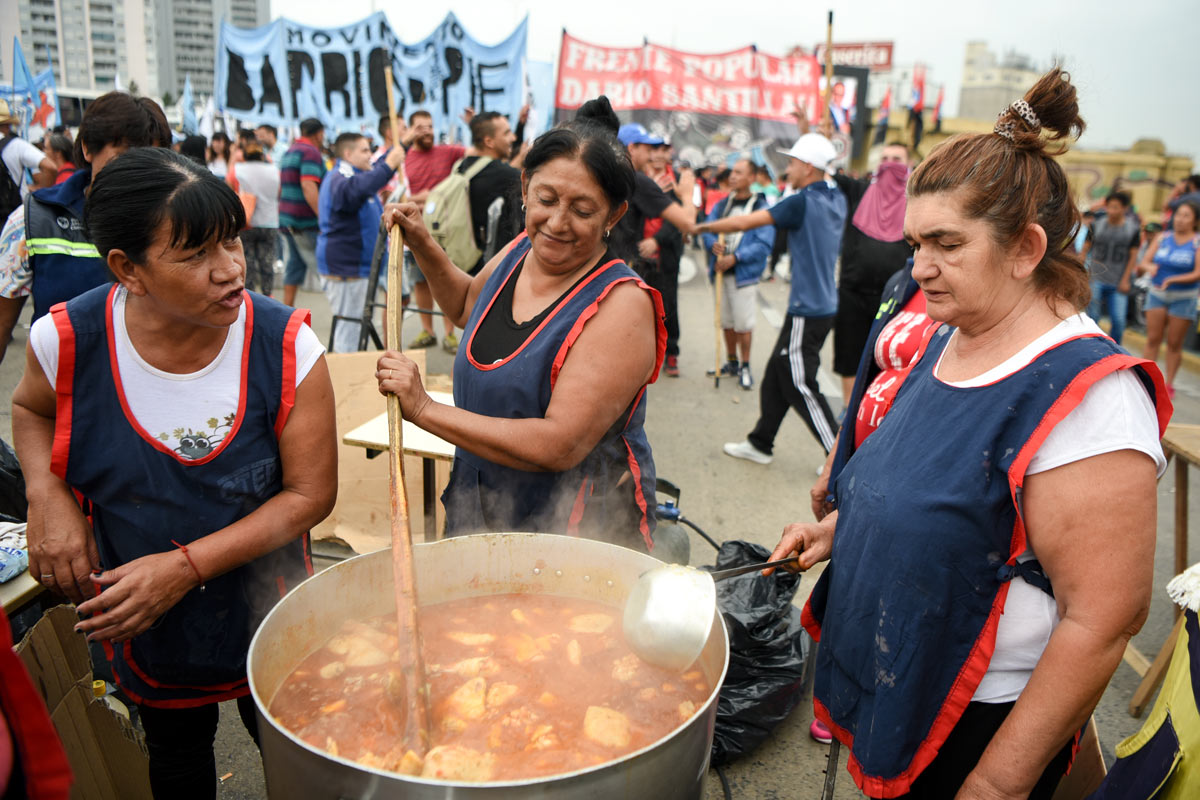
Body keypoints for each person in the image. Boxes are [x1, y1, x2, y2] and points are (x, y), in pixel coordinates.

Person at [767, 69, 1170, 799]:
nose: (918, 268)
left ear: (1024, 249)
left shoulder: (1093, 398)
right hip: (900, 674)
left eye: (946, 244)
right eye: (915, 242)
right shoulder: (947, 336)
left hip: (976, 723)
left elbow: (1103, 621)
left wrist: (999, 783)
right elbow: (929, 487)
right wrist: (842, 532)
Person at [12, 147, 336, 800]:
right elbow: (28, 409)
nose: (231, 272)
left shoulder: (288, 347)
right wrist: (46, 495)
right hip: (142, 614)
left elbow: (309, 495)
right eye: (195, 256)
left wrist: (183, 568)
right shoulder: (66, 340)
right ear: (127, 269)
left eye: (232, 244)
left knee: (299, 750)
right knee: (177, 754)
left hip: (266, 603)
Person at [374, 96, 666, 550]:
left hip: (577, 529)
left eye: (582, 210)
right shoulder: (521, 251)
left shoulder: (623, 304)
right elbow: (469, 306)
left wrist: (425, 409)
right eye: (546, 200)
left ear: (614, 215)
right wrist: (423, 243)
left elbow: (560, 444)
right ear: (526, 186)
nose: (557, 223)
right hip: (483, 501)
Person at [699, 132, 846, 463]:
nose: (787, 168)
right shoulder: (836, 199)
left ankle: (839, 456)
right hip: (819, 306)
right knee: (777, 375)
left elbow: (748, 220)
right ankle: (761, 442)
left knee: (799, 381)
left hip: (808, 308)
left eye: (792, 162)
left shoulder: (801, 202)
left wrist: (701, 228)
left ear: (808, 168)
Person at [0, 91, 171, 365]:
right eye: (125, 156)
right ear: (87, 148)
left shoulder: (179, 220)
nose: (140, 171)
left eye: (153, 158)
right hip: (64, 395)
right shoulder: (31, 221)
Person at [818, 131, 914, 404]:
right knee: (849, 350)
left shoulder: (917, 202)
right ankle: (848, 408)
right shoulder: (859, 191)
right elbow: (826, 168)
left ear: (908, 166)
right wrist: (813, 135)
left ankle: (875, 406)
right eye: (884, 159)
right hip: (852, 290)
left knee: (886, 354)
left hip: (894, 297)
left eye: (896, 159)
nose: (888, 164)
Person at [615, 122, 695, 377]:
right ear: (632, 148)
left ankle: (665, 354)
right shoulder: (639, 180)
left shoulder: (608, 174)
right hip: (629, 260)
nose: (654, 154)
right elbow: (688, 223)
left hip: (653, 257)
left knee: (666, 305)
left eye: (660, 148)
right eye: (650, 148)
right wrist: (688, 195)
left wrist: (658, 240)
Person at [316, 132, 404, 353]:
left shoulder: (355, 174)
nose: (370, 156)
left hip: (357, 269)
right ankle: (346, 385)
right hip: (347, 270)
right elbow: (357, 188)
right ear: (348, 153)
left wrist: (405, 144)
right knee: (350, 335)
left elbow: (373, 174)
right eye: (364, 151)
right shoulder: (340, 177)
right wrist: (389, 165)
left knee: (355, 330)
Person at [701, 158, 774, 390]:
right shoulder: (722, 206)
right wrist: (713, 244)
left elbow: (764, 243)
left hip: (744, 275)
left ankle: (745, 365)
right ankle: (731, 362)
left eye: (739, 173)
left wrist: (736, 257)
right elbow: (707, 229)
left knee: (744, 324)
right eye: (732, 173)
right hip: (721, 274)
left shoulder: (761, 209)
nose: (732, 177)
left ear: (752, 178)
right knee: (726, 321)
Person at [404, 109, 466, 352]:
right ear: (410, 130)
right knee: (420, 282)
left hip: (445, 232)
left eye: (430, 126)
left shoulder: (447, 152)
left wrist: (471, 126)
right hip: (415, 232)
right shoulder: (404, 159)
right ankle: (427, 330)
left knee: (446, 278)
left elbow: (476, 154)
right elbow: (399, 196)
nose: (427, 131)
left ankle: (449, 333)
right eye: (420, 127)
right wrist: (422, 198)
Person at [1139, 199, 1200, 396]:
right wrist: (1150, 268)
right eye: (1178, 215)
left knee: (1174, 343)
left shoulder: (1196, 242)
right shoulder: (1162, 238)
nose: (1180, 220)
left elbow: (1198, 272)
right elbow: (1144, 263)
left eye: (1186, 216)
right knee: (1153, 338)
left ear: (1195, 221)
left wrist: (1173, 279)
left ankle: (1169, 384)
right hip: (1157, 294)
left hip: (1184, 297)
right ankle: (1146, 379)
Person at [457, 111, 522, 272]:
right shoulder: (505, 175)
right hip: (490, 270)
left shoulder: (462, 167)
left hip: (462, 262)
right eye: (507, 133)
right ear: (489, 142)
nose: (512, 138)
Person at [278, 118, 327, 307]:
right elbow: (308, 186)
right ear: (319, 133)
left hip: (287, 218)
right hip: (305, 221)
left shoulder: (290, 151)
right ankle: (343, 315)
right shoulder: (310, 152)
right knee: (324, 269)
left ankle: (286, 310)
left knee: (294, 266)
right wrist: (323, 219)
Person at [1083, 191, 1141, 345]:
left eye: (1116, 207)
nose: (1112, 211)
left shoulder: (1133, 229)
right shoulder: (1097, 225)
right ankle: (1091, 347)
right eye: (1109, 207)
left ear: (1124, 208)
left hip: (1118, 280)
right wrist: (1080, 271)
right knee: (1093, 316)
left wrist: (1126, 279)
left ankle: (1114, 351)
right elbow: (1085, 248)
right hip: (1096, 277)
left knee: (1119, 320)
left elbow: (1133, 256)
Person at [231, 138, 281, 295]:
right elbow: (279, 193)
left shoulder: (237, 170)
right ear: (262, 155)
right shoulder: (275, 171)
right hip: (270, 220)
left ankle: (249, 295)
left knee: (248, 261)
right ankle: (268, 294)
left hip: (247, 220)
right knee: (267, 260)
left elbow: (231, 191)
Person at [0, 99, 55, 197]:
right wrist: (41, 191)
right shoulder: (16, 145)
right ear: (8, 125)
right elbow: (50, 167)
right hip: (15, 209)